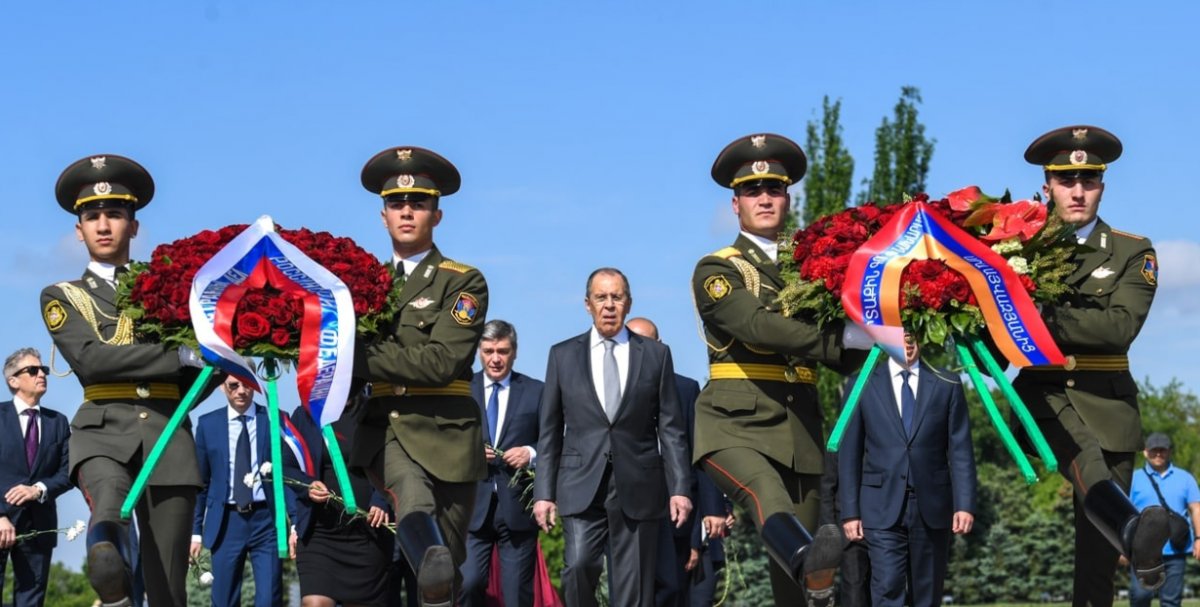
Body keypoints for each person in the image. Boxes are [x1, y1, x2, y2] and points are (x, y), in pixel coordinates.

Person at [691, 133, 869, 606]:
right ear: (735, 205)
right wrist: (845, 338)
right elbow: (756, 326)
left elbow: (851, 338)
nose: (764, 199)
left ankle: (811, 583)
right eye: (752, 191)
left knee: (801, 578)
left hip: (800, 435)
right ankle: (810, 574)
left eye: (773, 189)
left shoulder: (814, 268)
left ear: (788, 198)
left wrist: (891, 334)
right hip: (734, 427)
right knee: (770, 497)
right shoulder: (718, 268)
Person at [40, 154, 208, 606]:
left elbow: (202, 372)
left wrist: (209, 359)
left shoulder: (170, 290)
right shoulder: (62, 296)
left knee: (168, 587)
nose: (103, 224)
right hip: (102, 433)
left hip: (168, 435)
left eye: (114, 214)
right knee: (109, 515)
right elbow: (94, 361)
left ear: (134, 226)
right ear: (79, 230)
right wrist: (178, 355)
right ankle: (111, 582)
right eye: (91, 216)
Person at [1013, 125, 1169, 604]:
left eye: (1089, 180)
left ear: (1102, 185)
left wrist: (1036, 315)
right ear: (1047, 186)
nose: (1077, 191)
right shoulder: (1018, 248)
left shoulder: (1132, 250)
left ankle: (1128, 533)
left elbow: (1119, 327)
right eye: (1065, 180)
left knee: (1099, 562)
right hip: (1044, 395)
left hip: (1109, 407)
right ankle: (1130, 524)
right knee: (1085, 456)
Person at [351, 146, 489, 607]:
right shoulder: (358, 283)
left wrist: (359, 355)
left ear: (437, 214)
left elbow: (441, 362)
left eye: (419, 203)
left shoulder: (462, 281)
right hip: (388, 424)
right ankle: (428, 554)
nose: (407, 211)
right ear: (383, 215)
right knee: (414, 504)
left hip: (448, 430)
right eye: (396, 204)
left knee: (444, 575)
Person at [532, 269, 692, 607]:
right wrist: (543, 494)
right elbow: (549, 432)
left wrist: (679, 488)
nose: (609, 305)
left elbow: (671, 428)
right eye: (601, 297)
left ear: (628, 303)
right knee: (578, 567)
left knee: (633, 588)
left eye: (616, 297)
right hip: (580, 483)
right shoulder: (562, 355)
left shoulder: (655, 355)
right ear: (587, 304)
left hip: (638, 483)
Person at [838, 334, 977, 606]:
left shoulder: (947, 384)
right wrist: (850, 511)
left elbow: (960, 450)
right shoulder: (861, 385)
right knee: (887, 587)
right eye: (901, 338)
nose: (908, 344)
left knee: (927, 594)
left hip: (932, 508)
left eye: (913, 337)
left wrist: (965, 504)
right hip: (879, 507)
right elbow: (849, 453)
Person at [625, 317, 727, 607]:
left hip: (678, 514)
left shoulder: (685, 389)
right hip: (630, 509)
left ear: (661, 347)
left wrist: (714, 509)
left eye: (646, 343)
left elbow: (700, 453)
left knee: (673, 591)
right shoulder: (611, 391)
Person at [461, 319, 545, 607]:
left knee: (516, 598)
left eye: (503, 351)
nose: (495, 358)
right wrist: (467, 451)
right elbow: (442, 440)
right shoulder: (461, 390)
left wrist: (530, 453)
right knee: (468, 584)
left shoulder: (537, 391)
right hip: (471, 507)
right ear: (478, 352)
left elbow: (555, 440)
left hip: (518, 509)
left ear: (515, 352)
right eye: (488, 351)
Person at [191, 374, 294, 607]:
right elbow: (202, 484)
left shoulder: (273, 420)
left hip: (266, 520)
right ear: (221, 386)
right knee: (224, 600)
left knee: (269, 599)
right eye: (233, 385)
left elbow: (286, 475)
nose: (241, 391)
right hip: (226, 522)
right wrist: (195, 531)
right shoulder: (208, 425)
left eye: (247, 385)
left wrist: (294, 521)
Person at [286, 396, 397, 607]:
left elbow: (392, 461)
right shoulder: (306, 415)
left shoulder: (374, 411)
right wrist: (307, 485)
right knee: (314, 603)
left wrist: (381, 500)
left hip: (367, 535)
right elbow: (287, 465)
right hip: (320, 535)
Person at [0, 348, 71, 606]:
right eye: (33, 370)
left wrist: (38, 489)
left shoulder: (58, 422)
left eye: (44, 370)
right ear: (13, 381)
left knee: (31, 601)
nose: (42, 374)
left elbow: (68, 472)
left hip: (39, 525)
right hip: (0, 522)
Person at [1126, 433, 1200, 607]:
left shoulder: (1185, 478)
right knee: (1140, 597)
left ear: (1169, 452)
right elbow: (1125, 515)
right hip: (1142, 551)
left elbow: (1196, 509)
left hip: (1176, 550)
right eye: (1154, 450)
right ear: (1145, 452)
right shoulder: (1133, 479)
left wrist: (1198, 538)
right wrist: (1121, 547)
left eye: (1162, 450)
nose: (1158, 454)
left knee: (1171, 602)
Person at [819, 428, 870, 606]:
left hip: (884, 525)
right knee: (854, 593)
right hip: (849, 534)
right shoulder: (839, 430)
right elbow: (827, 487)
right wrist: (830, 534)